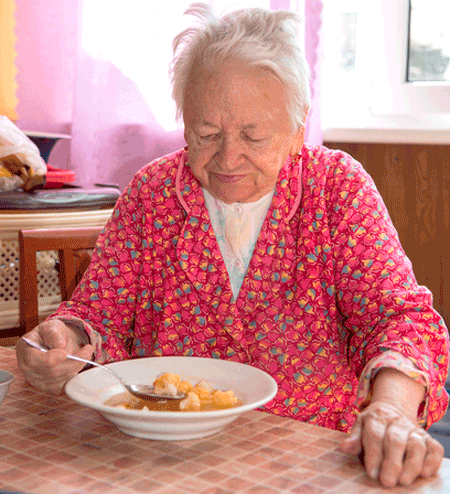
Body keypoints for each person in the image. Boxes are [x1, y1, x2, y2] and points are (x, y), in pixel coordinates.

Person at [16, 3, 448, 488]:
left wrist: (391, 409)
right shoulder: (151, 192)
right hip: (164, 457)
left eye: (252, 135)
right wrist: (66, 339)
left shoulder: (338, 190)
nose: (228, 157)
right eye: (207, 133)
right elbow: (98, 315)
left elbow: (398, 319)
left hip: (311, 454)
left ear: (297, 124)